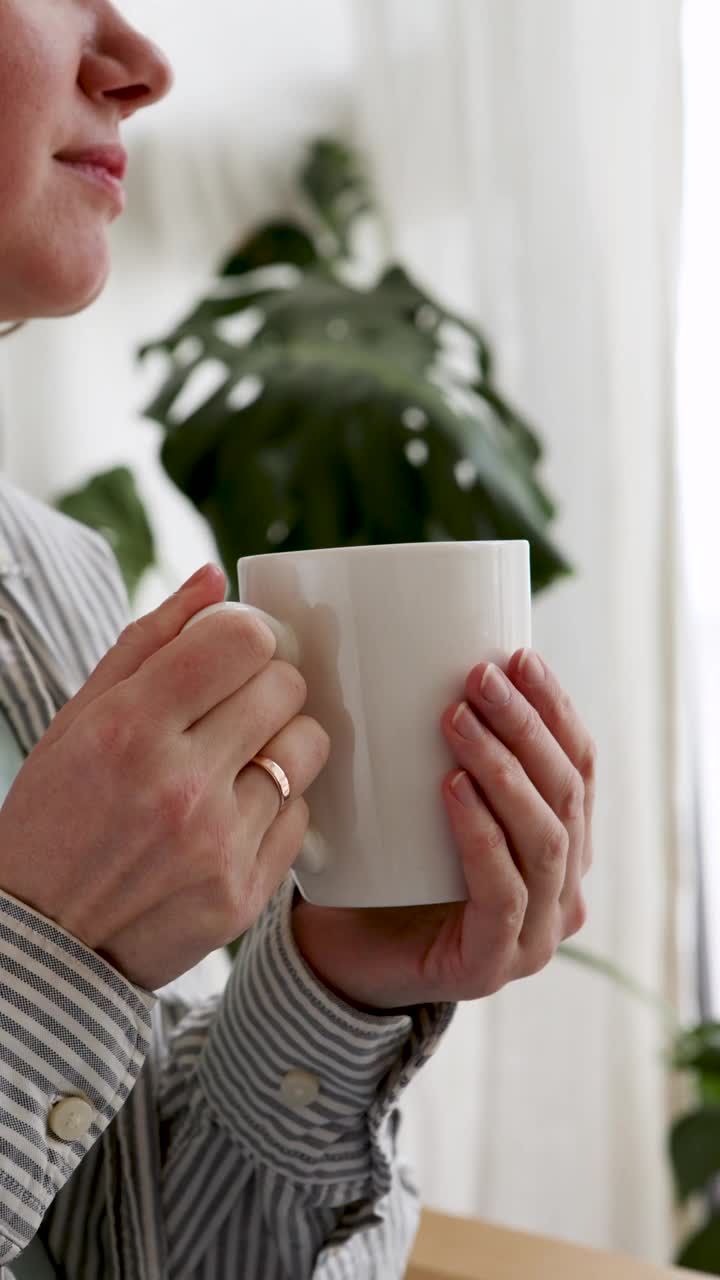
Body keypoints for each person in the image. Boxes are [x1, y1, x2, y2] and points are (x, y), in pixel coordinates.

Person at [0, 2, 597, 1277]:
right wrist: (42, 949)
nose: (142, 65)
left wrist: (334, 987)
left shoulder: (49, 580)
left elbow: (122, 1250)